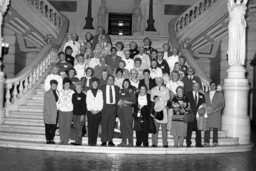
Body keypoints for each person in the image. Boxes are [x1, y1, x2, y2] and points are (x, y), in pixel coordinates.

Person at [100, 75, 120, 146]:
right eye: (109, 79)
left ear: (114, 81)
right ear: (106, 80)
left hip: (113, 108)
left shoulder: (117, 88)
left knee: (111, 125)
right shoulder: (102, 88)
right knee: (104, 124)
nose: (110, 81)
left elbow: (118, 99)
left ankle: (110, 140)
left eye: (112, 79)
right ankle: (104, 140)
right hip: (104, 107)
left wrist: (116, 109)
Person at [204, 81, 225, 147]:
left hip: (215, 112)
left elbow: (222, 104)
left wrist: (217, 109)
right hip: (208, 112)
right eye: (211, 85)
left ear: (216, 86)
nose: (212, 86)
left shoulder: (219, 93)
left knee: (215, 128)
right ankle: (206, 141)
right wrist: (205, 108)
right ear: (209, 86)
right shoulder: (206, 93)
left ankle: (215, 141)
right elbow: (204, 102)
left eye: (213, 85)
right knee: (207, 128)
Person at [151, 77, 170, 148]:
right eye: (157, 81)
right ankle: (154, 143)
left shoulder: (166, 89)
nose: (159, 82)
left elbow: (167, 98)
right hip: (156, 110)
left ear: (162, 81)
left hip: (164, 110)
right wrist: (162, 98)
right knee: (155, 129)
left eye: (160, 81)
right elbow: (153, 99)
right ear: (155, 82)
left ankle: (165, 143)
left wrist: (160, 98)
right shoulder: (153, 89)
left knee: (164, 129)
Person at [228, 0, 248, 66]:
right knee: (234, 43)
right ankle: (233, 60)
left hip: (241, 26)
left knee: (240, 44)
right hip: (234, 26)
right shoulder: (232, 4)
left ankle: (239, 60)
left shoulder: (243, 5)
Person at [117, 79, 136, 147]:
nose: (125, 84)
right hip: (120, 109)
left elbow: (133, 101)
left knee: (128, 125)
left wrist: (124, 101)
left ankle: (130, 142)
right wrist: (119, 102)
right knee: (122, 126)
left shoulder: (131, 90)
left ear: (129, 84)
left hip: (127, 109)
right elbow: (117, 100)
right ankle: (123, 141)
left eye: (127, 83)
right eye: (124, 83)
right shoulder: (120, 90)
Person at [186, 82, 205, 147]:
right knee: (189, 129)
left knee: (198, 130)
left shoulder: (202, 95)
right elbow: (185, 104)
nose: (196, 87)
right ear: (192, 87)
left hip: (199, 115)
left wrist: (202, 111)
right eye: (194, 86)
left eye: (197, 86)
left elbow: (203, 104)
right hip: (190, 114)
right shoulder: (188, 94)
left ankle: (198, 143)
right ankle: (188, 143)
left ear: (199, 87)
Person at [86, 77, 104, 146]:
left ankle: (94, 142)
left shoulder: (100, 92)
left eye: (96, 83)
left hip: (98, 112)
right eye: (93, 83)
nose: (95, 84)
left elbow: (101, 102)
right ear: (91, 84)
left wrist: (98, 110)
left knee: (96, 127)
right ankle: (90, 142)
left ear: (98, 84)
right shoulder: (88, 92)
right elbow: (87, 102)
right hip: (90, 112)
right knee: (90, 127)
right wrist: (91, 110)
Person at [57, 78, 75, 145]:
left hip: (69, 111)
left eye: (68, 84)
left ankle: (66, 140)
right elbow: (58, 101)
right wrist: (58, 108)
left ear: (70, 85)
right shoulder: (60, 91)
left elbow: (74, 102)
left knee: (67, 126)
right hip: (61, 110)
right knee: (61, 126)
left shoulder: (72, 92)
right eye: (65, 84)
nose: (67, 85)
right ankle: (62, 139)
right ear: (63, 85)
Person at [43, 80, 59, 144]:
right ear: (51, 85)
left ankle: (52, 139)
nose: (54, 86)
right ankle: (48, 139)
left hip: (56, 112)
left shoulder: (58, 92)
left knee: (53, 127)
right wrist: (49, 115)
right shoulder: (47, 93)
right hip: (49, 113)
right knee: (48, 127)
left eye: (55, 85)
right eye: (53, 85)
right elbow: (46, 105)